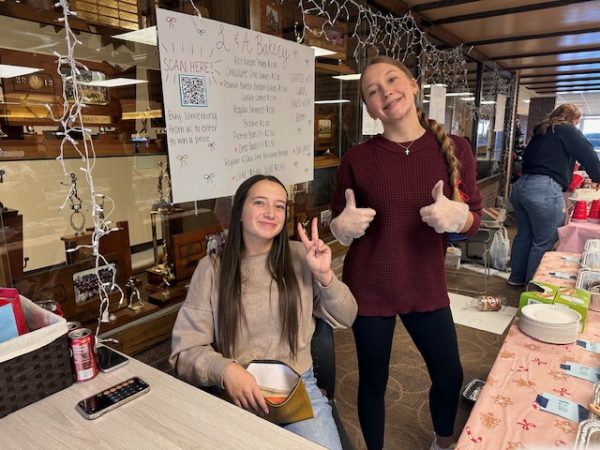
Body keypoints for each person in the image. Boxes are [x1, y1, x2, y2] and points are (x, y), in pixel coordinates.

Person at [329, 56, 483, 450]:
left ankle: (443, 442)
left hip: (424, 283)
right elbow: (339, 219)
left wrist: (458, 217)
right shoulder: (358, 160)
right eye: (372, 91)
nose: (385, 92)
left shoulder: (457, 150)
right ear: (368, 108)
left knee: (449, 373)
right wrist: (338, 228)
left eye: (392, 80)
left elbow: (475, 217)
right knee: (373, 382)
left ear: (414, 85)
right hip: (370, 286)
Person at [170, 174, 357, 450]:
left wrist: (325, 275)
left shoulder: (301, 257)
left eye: (280, 206)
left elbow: (346, 316)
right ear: (240, 213)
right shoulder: (212, 270)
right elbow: (184, 351)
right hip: (236, 395)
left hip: (297, 390)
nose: (271, 213)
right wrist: (226, 370)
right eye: (260, 203)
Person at [508, 103, 600, 286]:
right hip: (543, 189)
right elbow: (588, 153)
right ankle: (533, 286)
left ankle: (516, 279)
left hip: (521, 186)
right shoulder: (565, 129)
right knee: (543, 241)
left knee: (524, 235)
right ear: (573, 119)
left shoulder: (542, 130)